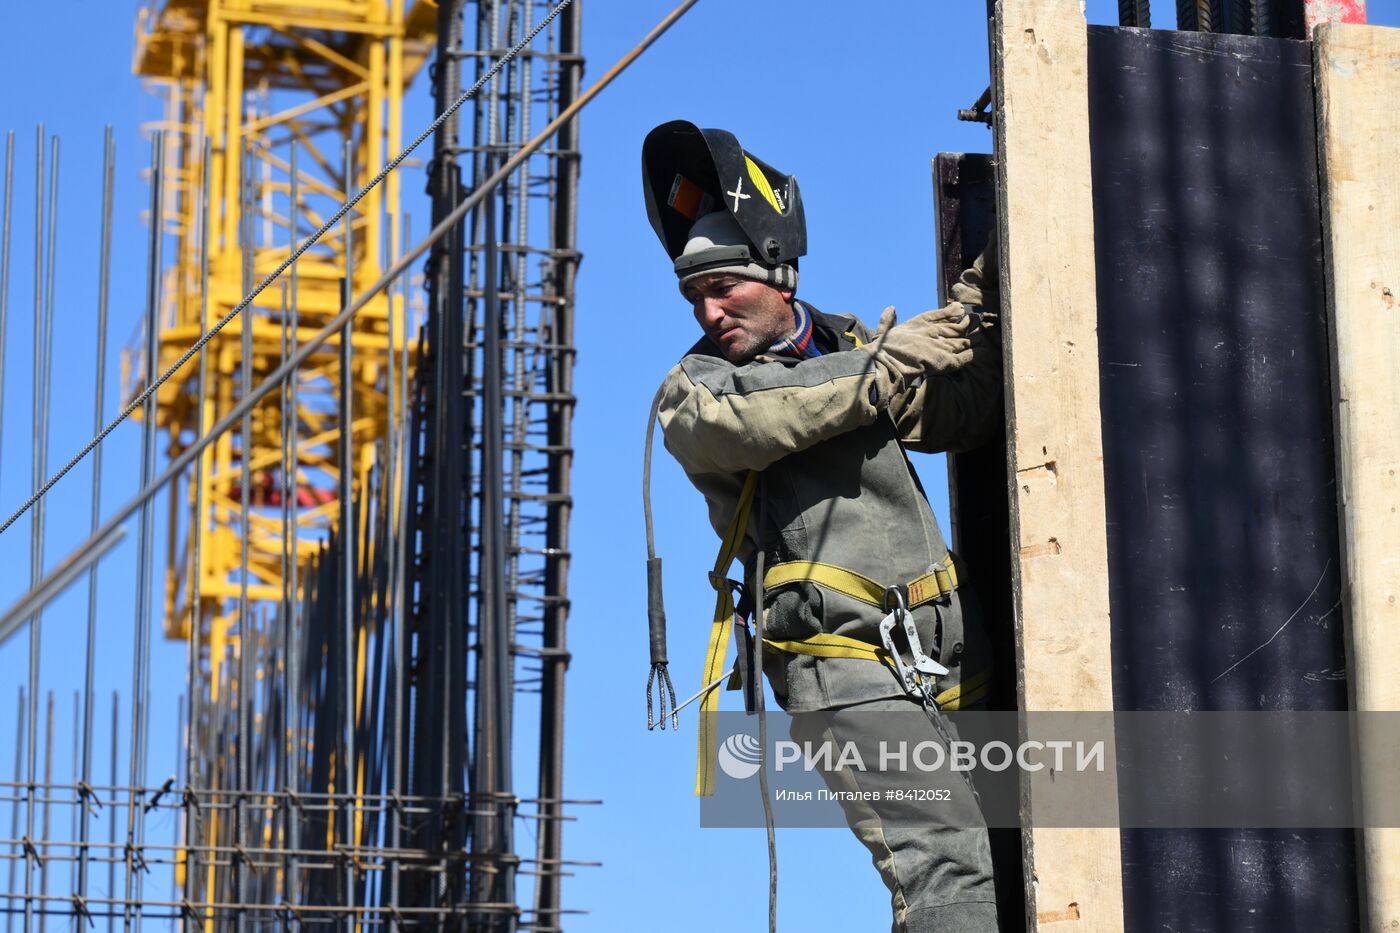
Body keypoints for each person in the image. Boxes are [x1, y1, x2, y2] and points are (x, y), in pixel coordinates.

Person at [642, 120, 1004, 933]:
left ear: (777, 271)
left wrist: (985, 301)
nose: (708, 308)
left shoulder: (849, 349)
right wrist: (886, 364)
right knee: (945, 862)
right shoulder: (697, 390)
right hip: (843, 663)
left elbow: (966, 413)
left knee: (1026, 857)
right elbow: (775, 413)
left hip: (951, 652)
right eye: (693, 295)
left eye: (723, 285)